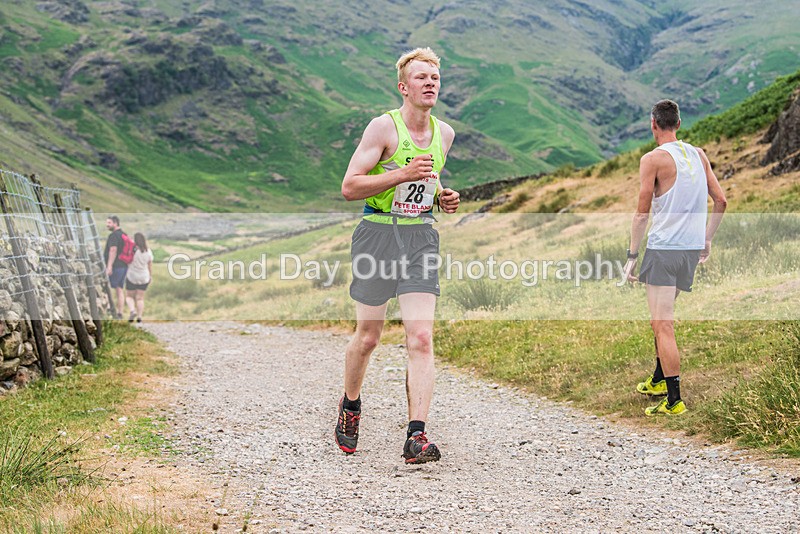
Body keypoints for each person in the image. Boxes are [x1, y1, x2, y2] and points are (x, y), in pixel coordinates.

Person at [335, 47, 461, 463]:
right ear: (404, 87)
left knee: (421, 337)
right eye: (422, 77)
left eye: (435, 78)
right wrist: (401, 174)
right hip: (376, 235)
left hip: (420, 237)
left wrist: (441, 196)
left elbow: (427, 178)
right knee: (369, 338)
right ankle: (351, 405)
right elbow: (350, 187)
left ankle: (416, 436)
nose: (431, 83)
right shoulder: (382, 128)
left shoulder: (445, 134)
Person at [624, 99, 727, 416]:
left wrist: (631, 255)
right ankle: (658, 379)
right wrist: (706, 240)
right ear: (678, 124)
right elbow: (721, 201)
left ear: (653, 124)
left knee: (662, 324)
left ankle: (674, 400)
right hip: (688, 251)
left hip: (664, 249)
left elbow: (642, 214)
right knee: (661, 319)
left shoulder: (652, 159)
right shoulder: (698, 154)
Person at [125, 232, 153, 323]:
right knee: (140, 298)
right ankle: (140, 317)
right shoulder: (148, 251)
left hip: (132, 275)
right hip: (144, 276)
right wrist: (150, 276)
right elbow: (149, 264)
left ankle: (132, 310)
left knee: (129, 296)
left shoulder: (132, 250)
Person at [104, 215, 128, 319]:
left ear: (115, 223)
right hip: (123, 265)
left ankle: (110, 310)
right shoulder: (124, 235)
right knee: (119, 289)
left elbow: (113, 250)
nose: (107, 225)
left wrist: (109, 266)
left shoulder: (113, 236)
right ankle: (120, 313)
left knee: (107, 287)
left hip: (115, 266)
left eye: (109, 223)